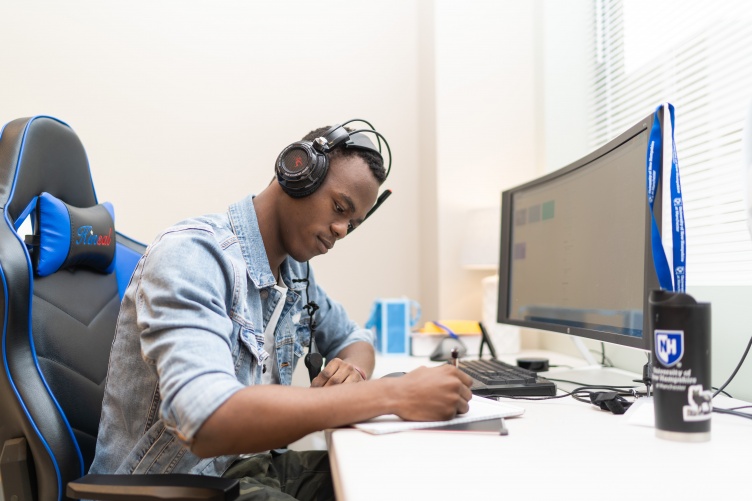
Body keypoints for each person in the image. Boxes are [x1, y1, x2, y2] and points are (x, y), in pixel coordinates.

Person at [90, 121, 473, 500]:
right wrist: (392, 395)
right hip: (177, 484)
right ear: (297, 171)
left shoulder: (295, 272)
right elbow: (207, 418)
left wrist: (354, 372)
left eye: (352, 224)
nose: (342, 231)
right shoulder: (193, 256)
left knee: (403, 474)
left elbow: (354, 338)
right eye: (340, 208)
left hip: (251, 469)